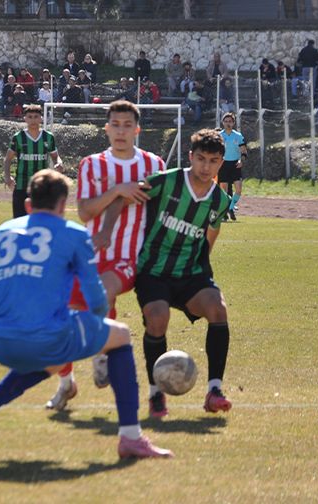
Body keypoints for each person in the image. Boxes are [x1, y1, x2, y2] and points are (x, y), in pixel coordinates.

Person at [0, 169, 173, 459]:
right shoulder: (72, 233)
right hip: (42, 335)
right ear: (62, 206)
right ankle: (131, 438)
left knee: (54, 358)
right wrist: (97, 333)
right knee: (118, 335)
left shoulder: (0, 232)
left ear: (29, 204)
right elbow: (96, 298)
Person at [45, 100, 166, 411]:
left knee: (103, 290)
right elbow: (85, 212)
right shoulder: (91, 164)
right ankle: (66, 383)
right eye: (116, 124)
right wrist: (117, 190)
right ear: (106, 128)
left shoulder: (154, 165)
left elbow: (158, 208)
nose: (121, 131)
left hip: (127, 257)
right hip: (90, 253)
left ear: (137, 129)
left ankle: (101, 353)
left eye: (128, 125)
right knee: (62, 319)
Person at [136, 128, 233, 418]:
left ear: (221, 163)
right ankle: (156, 394)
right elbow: (131, 199)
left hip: (190, 273)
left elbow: (211, 234)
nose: (206, 167)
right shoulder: (165, 182)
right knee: (157, 319)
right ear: (190, 157)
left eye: (213, 161)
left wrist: (201, 270)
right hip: (152, 270)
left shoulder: (220, 200)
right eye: (201, 159)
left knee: (218, 309)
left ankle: (214, 391)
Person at [3, 105, 63, 218]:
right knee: (20, 220)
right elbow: (8, 159)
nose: (33, 120)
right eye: (30, 117)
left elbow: (55, 156)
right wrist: (7, 176)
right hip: (21, 185)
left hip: (42, 186)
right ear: (25, 118)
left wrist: (58, 163)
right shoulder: (18, 137)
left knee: (42, 220)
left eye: (36, 116)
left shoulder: (48, 137)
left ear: (41, 118)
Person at [217, 112, 247, 221]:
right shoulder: (219, 136)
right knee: (224, 192)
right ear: (223, 123)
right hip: (223, 165)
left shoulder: (238, 136)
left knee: (238, 190)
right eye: (226, 121)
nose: (228, 123)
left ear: (233, 123)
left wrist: (241, 160)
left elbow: (244, 151)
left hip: (235, 164)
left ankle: (230, 208)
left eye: (230, 121)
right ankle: (224, 211)